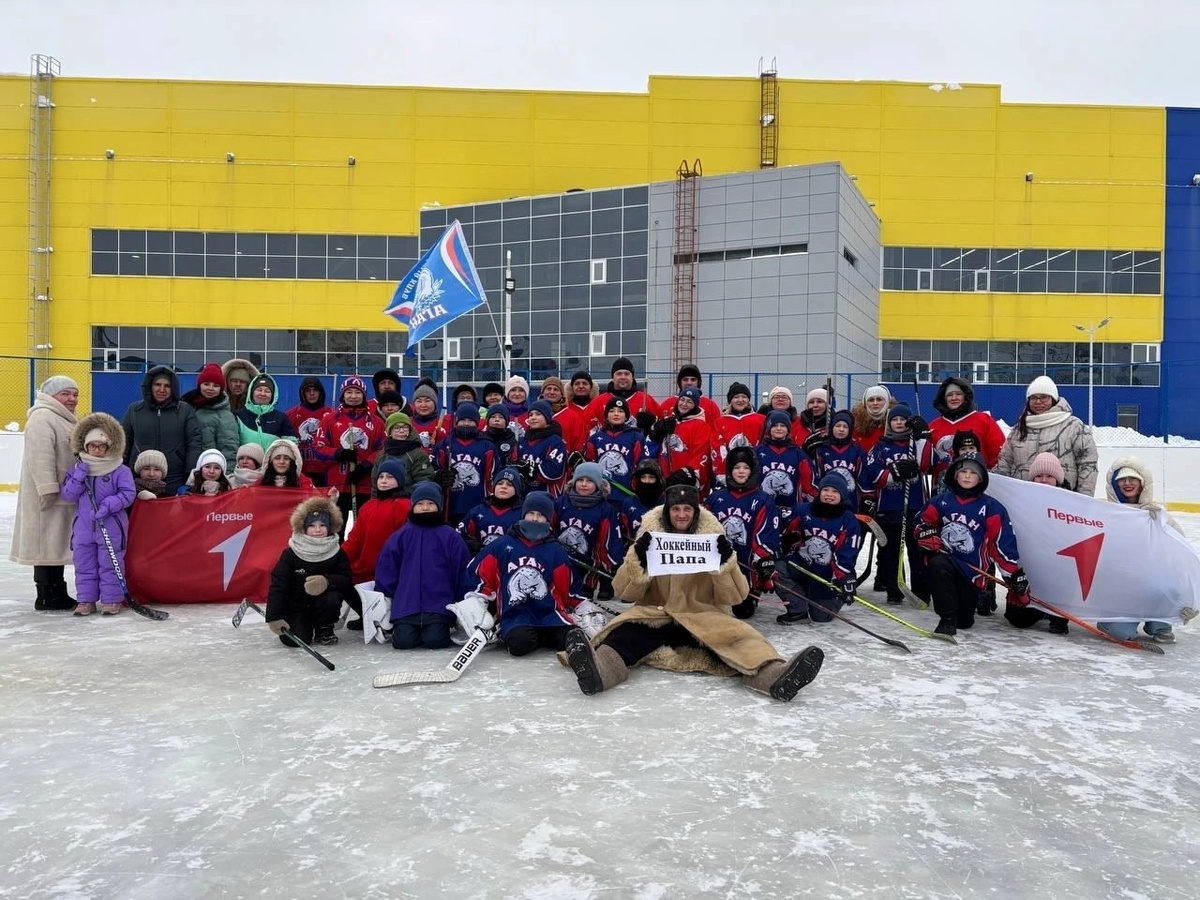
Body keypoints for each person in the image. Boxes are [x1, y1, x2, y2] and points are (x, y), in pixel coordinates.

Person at [562, 481, 825, 702]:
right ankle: (599, 671)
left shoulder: (713, 541)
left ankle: (777, 677)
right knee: (621, 638)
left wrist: (725, 564)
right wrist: (637, 558)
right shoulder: (651, 539)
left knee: (743, 640)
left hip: (702, 616)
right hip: (657, 614)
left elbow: (736, 597)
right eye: (675, 509)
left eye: (687, 509)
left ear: (695, 512)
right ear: (667, 512)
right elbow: (625, 592)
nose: (681, 515)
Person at [461, 491, 599, 657]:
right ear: (523, 515)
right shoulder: (502, 545)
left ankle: (544, 635)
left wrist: (581, 605)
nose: (534, 518)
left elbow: (567, 588)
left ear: (548, 520)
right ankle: (528, 635)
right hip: (516, 614)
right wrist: (479, 601)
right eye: (531, 513)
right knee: (520, 645)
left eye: (540, 515)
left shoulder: (555, 550)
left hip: (549, 613)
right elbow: (480, 575)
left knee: (570, 638)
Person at [915, 455, 1028, 637]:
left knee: (964, 622)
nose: (967, 476)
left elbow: (1001, 546)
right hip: (946, 561)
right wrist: (925, 533)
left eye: (973, 472)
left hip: (972, 572)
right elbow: (920, 523)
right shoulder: (940, 501)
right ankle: (946, 620)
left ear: (981, 478)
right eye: (963, 471)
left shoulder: (992, 508)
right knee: (938, 566)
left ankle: (957, 617)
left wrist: (1013, 576)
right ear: (955, 475)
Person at [374, 481, 471, 650]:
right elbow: (387, 566)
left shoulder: (450, 536)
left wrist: (459, 599)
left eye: (430, 503)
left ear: (438, 507)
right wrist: (387, 592)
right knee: (403, 642)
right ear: (413, 507)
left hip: (439, 605)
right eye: (420, 504)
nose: (425, 507)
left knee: (435, 641)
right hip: (406, 604)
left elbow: (461, 568)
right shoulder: (401, 535)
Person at [11, 375, 79, 611]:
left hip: (62, 494)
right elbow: (40, 457)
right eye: (65, 394)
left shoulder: (63, 419)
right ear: (51, 396)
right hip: (47, 496)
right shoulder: (42, 417)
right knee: (45, 545)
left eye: (74, 394)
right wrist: (47, 490)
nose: (72, 399)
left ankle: (56, 590)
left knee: (55, 545)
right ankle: (46, 594)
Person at [60, 412, 136, 616]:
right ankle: (86, 600)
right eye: (92, 446)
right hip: (84, 528)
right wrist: (78, 477)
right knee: (84, 565)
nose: (96, 450)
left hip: (111, 526)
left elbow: (128, 494)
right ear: (85, 447)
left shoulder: (119, 469)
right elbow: (67, 494)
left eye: (101, 446)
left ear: (108, 447)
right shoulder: (77, 469)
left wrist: (110, 504)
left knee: (110, 564)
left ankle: (112, 600)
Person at [1098, 458, 1178, 643]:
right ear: (1114, 484)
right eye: (1121, 479)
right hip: (1123, 587)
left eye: (1132, 478)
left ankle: (1159, 624)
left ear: (1143, 481)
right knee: (1123, 635)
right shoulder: (1108, 514)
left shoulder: (1156, 513)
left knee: (1168, 587)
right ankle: (1108, 623)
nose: (1127, 483)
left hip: (1151, 583)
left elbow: (1179, 547)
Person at [862, 403, 932, 604]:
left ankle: (921, 590)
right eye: (894, 419)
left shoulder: (915, 444)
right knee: (890, 551)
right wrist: (894, 473)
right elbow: (874, 474)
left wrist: (923, 437)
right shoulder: (881, 447)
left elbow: (927, 464)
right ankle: (893, 589)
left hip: (916, 507)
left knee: (917, 552)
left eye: (903, 419)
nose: (899, 423)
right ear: (889, 423)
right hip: (889, 508)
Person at [264, 497, 354, 647]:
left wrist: (327, 581)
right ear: (303, 528)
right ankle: (301, 625)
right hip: (297, 606)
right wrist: (274, 616)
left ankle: (324, 628)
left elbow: (346, 580)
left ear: (330, 526)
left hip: (324, 604)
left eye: (322, 525)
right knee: (297, 640)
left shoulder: (337, 551)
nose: (317, 530)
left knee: (333, 597)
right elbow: (279, 586)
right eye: (311, 525)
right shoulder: (291, 554)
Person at [705, 446, 781, 617]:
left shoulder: (762, 500)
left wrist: (763, 560)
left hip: (746, 563)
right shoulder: (716, 498)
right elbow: (704, 529)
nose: (741, 471)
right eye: (736, 467)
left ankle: (751, 591)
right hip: (718, 562)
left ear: (752, 471)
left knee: (742, 612)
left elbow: (767, 533)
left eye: (746, 468)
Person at [777, 474, 861, 625]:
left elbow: (848, 551)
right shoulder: (803, 510)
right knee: (777, 569)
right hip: (801, 565)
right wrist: (785, 542)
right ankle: (798, 609)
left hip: (826, 574)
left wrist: (844, 576)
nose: (829, 494)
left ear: (842, 495)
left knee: (821, 617)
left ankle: (836, 596)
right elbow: (784, 529)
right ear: (819, 492)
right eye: (826, 490)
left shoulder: (848, 520)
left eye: (835, 492)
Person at [995, 376, 1098, 496]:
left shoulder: (1074, 426)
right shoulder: (1020, 427)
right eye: (1033, 398)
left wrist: (1083, 499)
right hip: (1024, 499)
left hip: (1063, 501)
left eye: (1044, 397)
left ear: (1053, 399)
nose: (1038, 402)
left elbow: (1088, 464)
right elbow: (1005, 462)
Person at [314, 375, 383, 532]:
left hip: (364, 484)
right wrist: (339, 453)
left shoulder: (376, 422)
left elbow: (383, 448)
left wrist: (367, 464)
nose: (353, 396)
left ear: (364, 395)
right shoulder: (330, 419)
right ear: (342, 394)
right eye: (349, 392)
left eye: (357, 392)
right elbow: (318, 446)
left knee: (363, 529)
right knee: (335, 529)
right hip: (337, 484)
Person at [120, 365, 203, 495]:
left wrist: (190, 471)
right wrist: (123, 471)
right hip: (140, 479)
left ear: (173, 388)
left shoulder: (184, 410)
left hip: (175, 478)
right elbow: (124, 442)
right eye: (157, 384)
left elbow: (194, 442)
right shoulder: (134, 410)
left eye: (167, 386)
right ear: (150, 386)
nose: (162, 389)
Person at [555, 461, 623, 595]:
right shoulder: (560, 503)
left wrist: (612, 563)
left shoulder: (605, 509)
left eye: (589, 481)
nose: (584, 484)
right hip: (560, 562)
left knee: (581, 596)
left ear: (598, 484)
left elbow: (610, 539)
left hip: (588, 568)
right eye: (580, 480)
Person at [343, 458, 412, 586]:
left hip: (391, 575)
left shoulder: (404, 506)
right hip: (361, 574)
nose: (384, 481)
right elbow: (355, 540)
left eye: (390, 477)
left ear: (400, 480)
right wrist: (339, 558)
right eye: (381, 477)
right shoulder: (368, 506)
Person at [926, 377, 1005, 484]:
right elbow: (926, 462)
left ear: (966, 396)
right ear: (943, 399)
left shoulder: (984, 420)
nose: (954, 398)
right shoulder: (933, 426)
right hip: (942, 487)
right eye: (949, 395)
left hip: (977, 484)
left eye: (958, 394)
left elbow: (999, 455)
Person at [435, 401, 502, 526]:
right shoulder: (444, 445)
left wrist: (491, 502)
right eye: (463, 420)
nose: (466, 423)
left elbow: (492, 478)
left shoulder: (487, 446)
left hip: (478, 506)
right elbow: (434, 469)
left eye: (471, 421)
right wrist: (439, 475)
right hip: (450, 507)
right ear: (456, 422)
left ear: (477, 423)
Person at [651, 386, 717, 495]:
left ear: (695, 405)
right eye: (682, 400)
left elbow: (701, 454)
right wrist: (656, 430)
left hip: (685, 482)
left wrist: (686, 473)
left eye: (689, 402)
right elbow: (654, 446)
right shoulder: (670, 422)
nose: (684, 404)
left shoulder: (701, 426)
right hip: (664, 480)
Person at [756, 409, 814, 530]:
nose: (779, 428)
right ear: (768, 428)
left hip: (791, 508)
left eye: (783, 425)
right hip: (762, 508)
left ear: (788, 429)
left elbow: (809, 483)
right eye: (775, 425)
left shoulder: (798, 453)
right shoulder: (758, 452)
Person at [181, 363, 240, 470]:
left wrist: (226, 477)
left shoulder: (225, 416)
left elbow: (229, 449)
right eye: (206, 384)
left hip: (209, 473)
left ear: (221, 389)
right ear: (199, 385)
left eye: (215, 385)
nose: (210, 388)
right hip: (183, 469)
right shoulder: (186, 406)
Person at [585, 397, 646, 500]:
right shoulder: (595, 438)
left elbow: (640, 464)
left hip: (626, 492)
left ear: (626, 417)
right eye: (612, 411)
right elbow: (591, 462)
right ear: (606, 416)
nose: (616, 414)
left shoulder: (636, 437)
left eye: (621, 411)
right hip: (601, 494)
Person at [458, 466, 526, 555]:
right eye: (500, 483)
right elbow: (459, 536)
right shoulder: (477, 511)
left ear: (517, 490)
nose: (504, 487)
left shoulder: (523, 514)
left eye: (509, 484)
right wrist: (469, 545)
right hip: (481, 562)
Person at [585, 357, 661, 433]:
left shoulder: (647, 400)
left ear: (632, 377)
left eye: (627, 374)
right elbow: (586, 428)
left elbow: (661, 426)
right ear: (612, 377)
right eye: (619, 374)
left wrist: (651, 425)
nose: (623, 377)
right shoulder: (598, 402)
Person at [286, 377, 333, 488]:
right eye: (308, 390)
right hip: (301, 470)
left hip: (325, 471)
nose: (311, 393)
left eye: (315, 390)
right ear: (302, 393)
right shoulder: (290, 415)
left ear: (320, 392)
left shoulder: (331, 415)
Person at [714, 382, 765, 485]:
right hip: (729, 473)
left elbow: (763, 445)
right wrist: (723, 472)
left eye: (744, 397)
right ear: (730, 401)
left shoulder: (760, 420)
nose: (740, 400)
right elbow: (717, 447)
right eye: (736, 397)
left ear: (749, 400)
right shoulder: (720, 421)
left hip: (754, 472)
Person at [517, 400, 568, 496]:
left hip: (547, 496)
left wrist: (533, 470)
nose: (533, 417)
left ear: (547, 417)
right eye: (531, 415)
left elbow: (555, 471)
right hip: (525, 495)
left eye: (538, 414)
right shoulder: (523, 441)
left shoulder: (555, 441)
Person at [374, 412, 436, 490]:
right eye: (397, 428)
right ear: (389, 431)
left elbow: (424, 480)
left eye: (405, 427)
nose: (402, 431)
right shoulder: (382, 455)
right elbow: (375, 483)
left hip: (408, 499)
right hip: (385, 500)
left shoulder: (417, 454)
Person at [235, 373, 296, 451]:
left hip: (273, 463)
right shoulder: (238, 416)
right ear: (251, 392)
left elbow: (291, 444)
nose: (263, 394)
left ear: (273, 395)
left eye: (267, 391)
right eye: (259, 390)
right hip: (246, 462)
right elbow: (232, 444)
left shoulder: (281, 417)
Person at [619, 458, 665, 547]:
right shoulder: (628, 503)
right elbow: (623, 534)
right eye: (643, 477)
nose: (647, 481)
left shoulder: (667, 502)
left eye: (651, 477)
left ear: (658, 480)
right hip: (634, 552)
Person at [540, 375, 587, 455]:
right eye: (548, 389)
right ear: (542, 392)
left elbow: (579, 443)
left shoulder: (572, 416)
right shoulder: (534, 413)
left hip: (565, 464)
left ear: (561, 394)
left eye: (556, 389)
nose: (552, 392)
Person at [852, 385, 895, 452]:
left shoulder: (895, 423)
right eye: (871, 400)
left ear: (887, 401)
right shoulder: (857, 425)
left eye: (879, 399)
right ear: (865, 403)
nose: (875, 403)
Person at [408, 381, 446, 449]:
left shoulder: (445, 422)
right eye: (419, 401)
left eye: (427, 401)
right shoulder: (407, 423)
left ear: (435, 403)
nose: (423, 405)